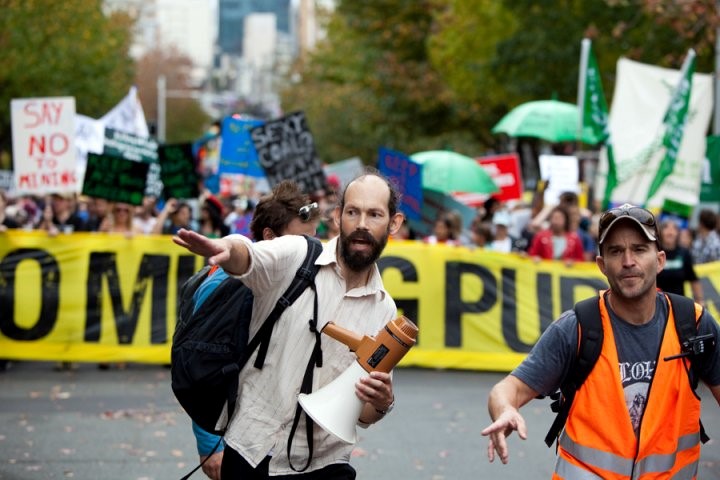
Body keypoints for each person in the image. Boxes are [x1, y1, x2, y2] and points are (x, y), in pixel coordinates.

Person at [173, 169, 405, 478]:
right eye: (353, 212)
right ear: (337, 217)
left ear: (394, 223)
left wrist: (382, 402)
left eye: (375, 214)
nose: (362, 224)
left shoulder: (385, 311)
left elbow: (363, 415)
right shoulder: (297, 254)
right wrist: (228, 250)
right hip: (253, 452)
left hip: (327, 462)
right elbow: (250, 255)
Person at [481, 203, 720, 477]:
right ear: (602, 265)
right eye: (616, 251)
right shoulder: (576, 328)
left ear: (660, 259)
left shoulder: (695, 324)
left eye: (639, 249)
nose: (628, 261)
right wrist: (504, 410)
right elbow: (506, 389)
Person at [189, 180, 322, 480]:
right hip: (237, 442)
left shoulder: (305, 278)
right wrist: (211, 442)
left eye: (314, 241)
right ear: (269, 237)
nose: (310, 252)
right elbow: (202, 361)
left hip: (285, 445)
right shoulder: (225, 285)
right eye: (301, 241)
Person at [656, 219, 704, 305]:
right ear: (660, 232)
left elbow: (693, 279)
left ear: (678, 233)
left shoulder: (684, 253)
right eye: (666, 227)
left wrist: (699, 301)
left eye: (674, 228)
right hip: (657, 304)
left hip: (679, 305)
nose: (670, 232)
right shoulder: (655, 254)